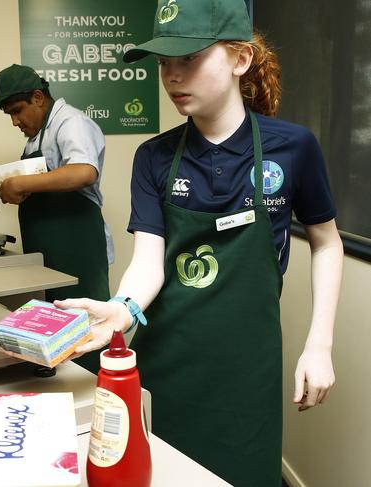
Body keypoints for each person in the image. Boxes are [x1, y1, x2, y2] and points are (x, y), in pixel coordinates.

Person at [56, 1, 343, 486]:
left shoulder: (293, 147)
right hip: (169, 362)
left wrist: (319, 344)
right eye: (164, 63)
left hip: (249, 368)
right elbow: (149, 262)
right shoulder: (154, 158)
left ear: (240, 59)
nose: (172, 76)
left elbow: (327, 243)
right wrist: (122, 308)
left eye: (189, 58)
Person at [0, 64, 113, 303]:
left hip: (76, 250)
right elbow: (43, 179)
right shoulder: (36, 136)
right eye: (9, 114)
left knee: (85, 325)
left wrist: (20, 184)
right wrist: (7, 183)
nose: (14, 121)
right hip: (47, 252)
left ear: (38, 97)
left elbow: (84, 172)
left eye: (17, 111)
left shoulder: (71, 122)